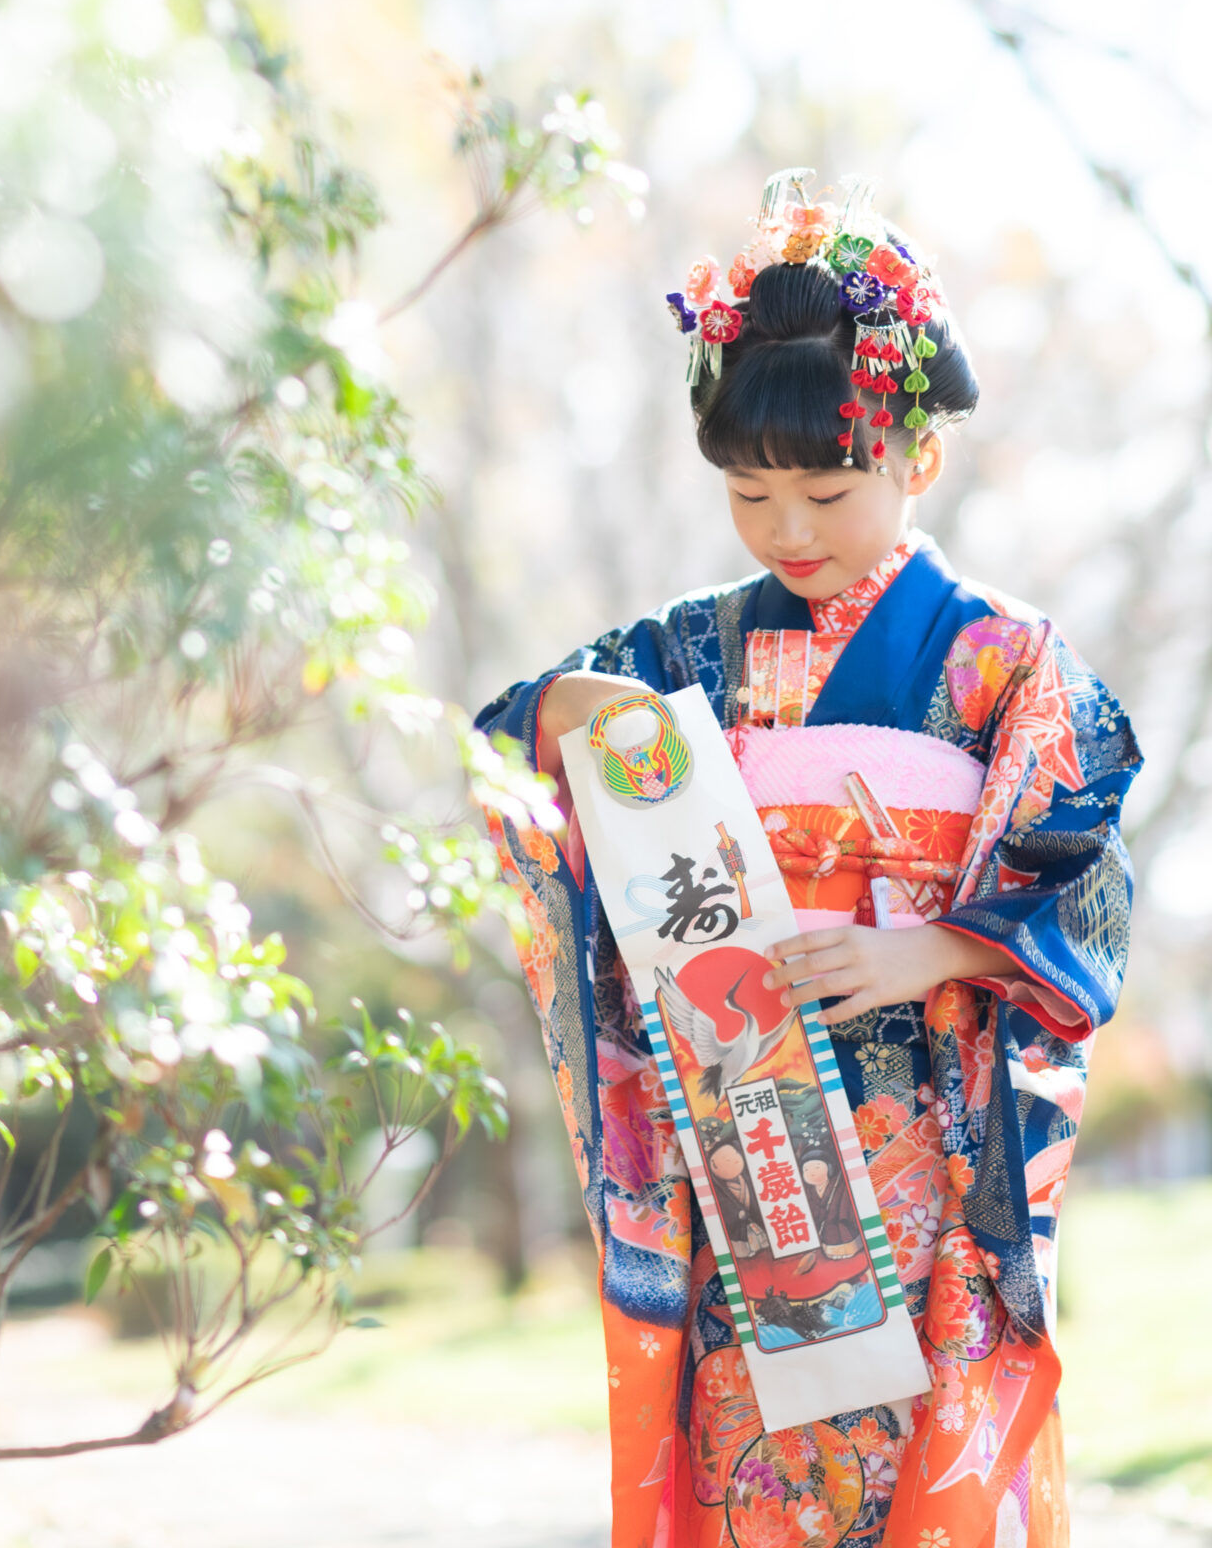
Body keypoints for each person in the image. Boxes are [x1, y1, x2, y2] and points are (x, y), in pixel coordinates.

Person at [476, 175, 1140, 1548]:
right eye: (747, 493)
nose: (786, 531)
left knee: (918, 1468)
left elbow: (1083, 875)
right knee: (751, 1463)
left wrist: (932, 946)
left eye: (826, 490)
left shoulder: (1001, 659)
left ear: (917, 461)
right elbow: (506, 749)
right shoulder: (687, 653)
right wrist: (560, 714)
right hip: (745, 1150)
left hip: (930, 1151)